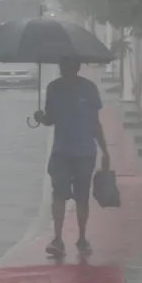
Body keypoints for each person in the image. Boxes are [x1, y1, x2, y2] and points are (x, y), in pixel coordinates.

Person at [34, 57, 110, 257]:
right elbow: (50, 119)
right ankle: (58, 239)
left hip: (84, 152)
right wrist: (41, 118)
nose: (65, 69)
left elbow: (95, 123)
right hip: (61, 152)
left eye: (69, 65)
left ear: (76, 67)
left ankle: (82, 238)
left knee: (82, 197)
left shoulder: (89, 89)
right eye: (63, 65)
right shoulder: (53, 89)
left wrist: (105, 150)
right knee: (58, 194)